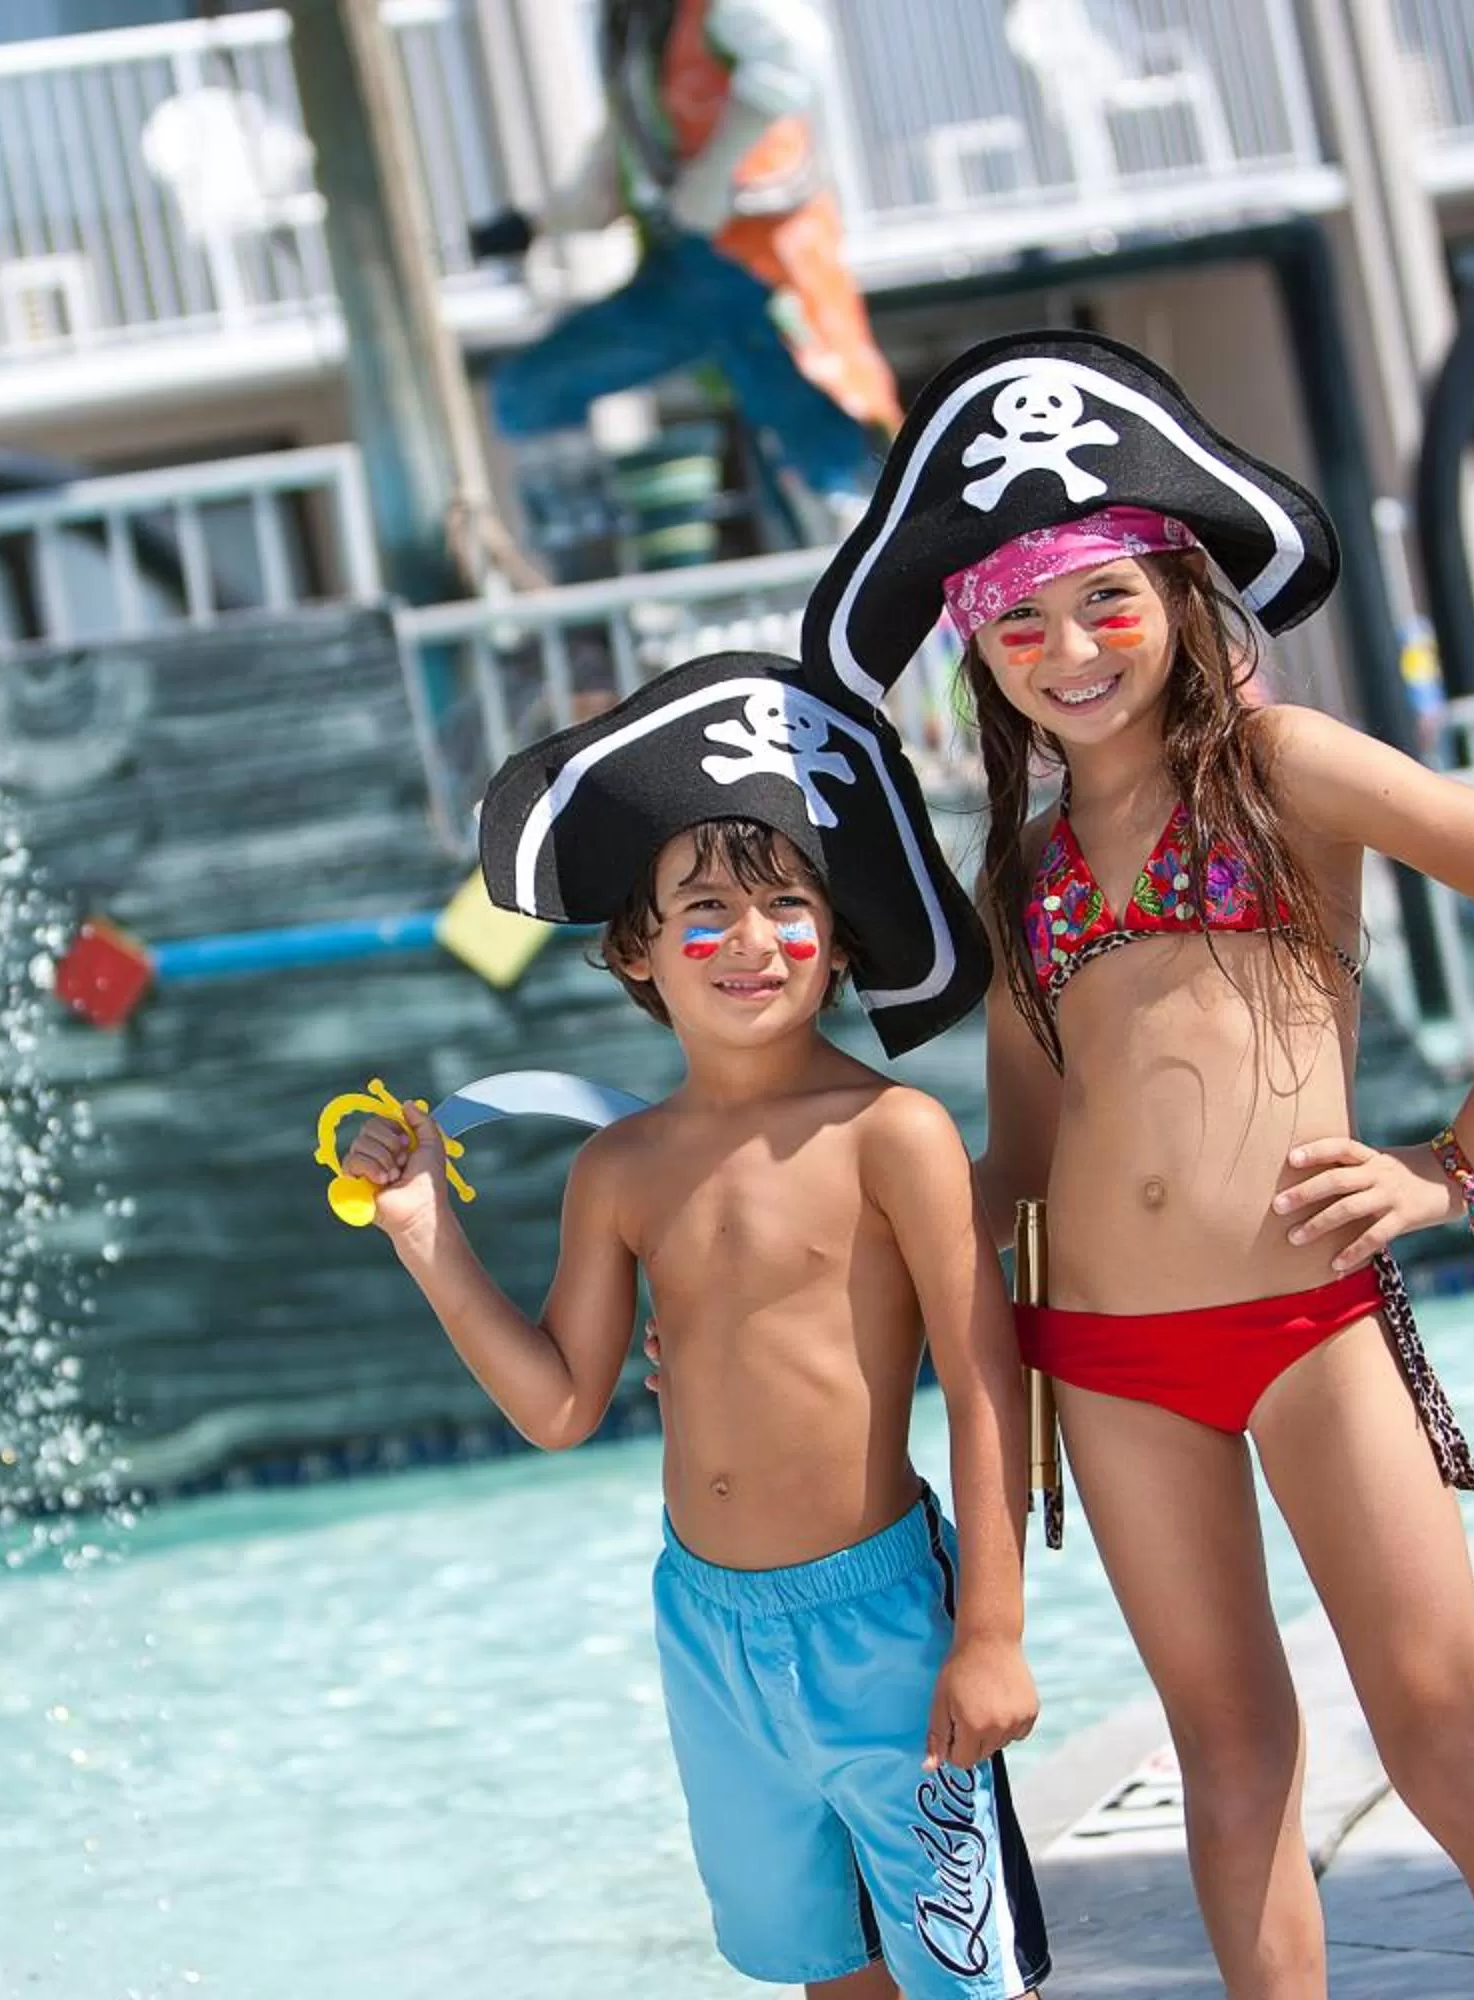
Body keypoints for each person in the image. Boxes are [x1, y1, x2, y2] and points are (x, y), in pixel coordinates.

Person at [802, 331, 1474, 2000]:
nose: (1068, 650)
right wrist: (834, 1283)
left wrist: (1456, 1168)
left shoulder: (1279, 769)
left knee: (1444, 1730)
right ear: (978, 654)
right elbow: (1024, 1160)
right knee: (1230, 1754)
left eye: (1103, 600)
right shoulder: (1025, 873)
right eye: (1018, 622)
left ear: (1181, 595)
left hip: (1312, 1325)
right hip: (1109, 1368)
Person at [338, 650, 1051, 1999]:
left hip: (883, 1621)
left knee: (963, 1974)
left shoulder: (888, 1134)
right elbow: (557, 1406)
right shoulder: (623, 1172)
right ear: (637, 950)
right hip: (707, 1630)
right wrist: (428, 1233)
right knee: (820, 1965)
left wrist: (993, 1630)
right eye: (705, 909)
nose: (751, 938)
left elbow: (981, 1380)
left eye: (788, 904)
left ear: (836, 937)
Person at [467, 0, 901, 534]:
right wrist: (534, 224)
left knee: (827, 457)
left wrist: (718, 172)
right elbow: (620, 156)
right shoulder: (639, 30)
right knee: (529, 391)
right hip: (688, 271)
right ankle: (588, 541)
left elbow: (793, 55)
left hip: (764, 264)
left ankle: (868, 547)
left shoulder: (718, 10)